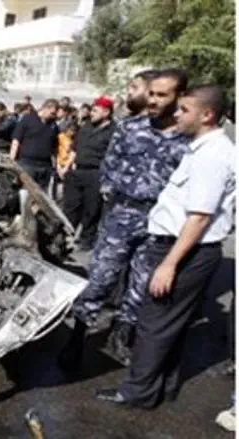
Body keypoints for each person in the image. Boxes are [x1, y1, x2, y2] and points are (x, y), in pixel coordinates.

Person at [95, 85, 235, 409]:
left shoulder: (212, 156)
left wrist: (169, 264)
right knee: (171, 324)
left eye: (184, 110)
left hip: (183, 250)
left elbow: (199, 218)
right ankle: (163, 387)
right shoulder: (206, 148)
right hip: (187, 249)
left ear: (207, 114)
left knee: (154, 325)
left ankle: (137, 393)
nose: (176, 114)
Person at [60, 69, 191, 371]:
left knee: (141, 284)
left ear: (179, 97)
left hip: (159, 221)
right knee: (100, 277)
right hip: (121, 215)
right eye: (152, 93)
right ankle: (77, 337)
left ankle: (122, 336)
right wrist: (114, 194)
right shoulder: (131, 127)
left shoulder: (187, 138)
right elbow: (110, 165)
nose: (153, 100)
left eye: (162, 95)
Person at [63, 96, 117, 250]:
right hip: (77, 171)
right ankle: (64, 236)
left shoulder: (113, 131)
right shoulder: (86, 126)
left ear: (106, 112)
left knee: (91, 209)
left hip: (96, 174)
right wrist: (66, 166)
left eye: (95, 110)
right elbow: (75, 148)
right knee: (71, 207)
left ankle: (86, 241)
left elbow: (112, 157)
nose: (91, 113)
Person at [10, 98, 60, 189]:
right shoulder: (28, 119)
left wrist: (55, 166)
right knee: (25, 192)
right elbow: (16, 140)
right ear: (45, 108)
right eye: (52, 113)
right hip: (27, 165)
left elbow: (54, 148)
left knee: (41, 196)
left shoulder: (54, 126)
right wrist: (12, 161)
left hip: (45, 167)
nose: (54, 116)